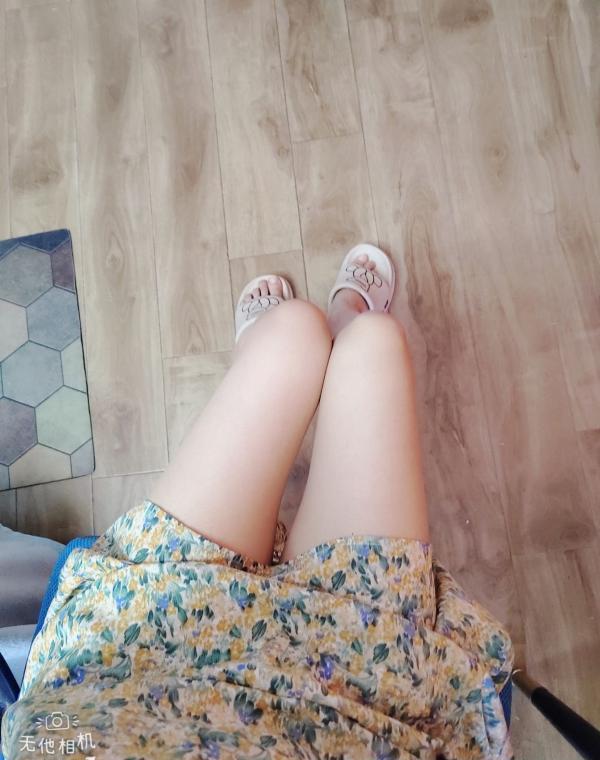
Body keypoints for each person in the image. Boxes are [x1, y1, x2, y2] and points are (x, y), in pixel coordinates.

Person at [1, 244, 513, 759]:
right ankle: (338, 338)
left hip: (151, 631)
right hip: (373, 676)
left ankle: (268, 354)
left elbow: (46, 732)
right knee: (373, 341)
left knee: (295, 334)